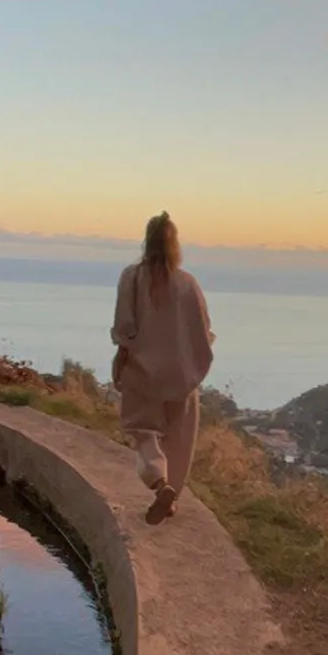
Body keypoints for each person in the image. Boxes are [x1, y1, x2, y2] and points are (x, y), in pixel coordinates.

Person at [111, 213, 215, 525]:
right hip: (182, 375)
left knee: (144, 435)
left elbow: (124, 327)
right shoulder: (187, 283)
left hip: (142, 373)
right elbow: (204, 330)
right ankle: (171, 499)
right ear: (174, 244)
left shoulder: (132, 276)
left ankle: (160, 485)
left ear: (147, 241)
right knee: (179, 441)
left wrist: (122, 358)